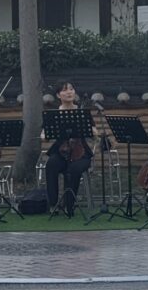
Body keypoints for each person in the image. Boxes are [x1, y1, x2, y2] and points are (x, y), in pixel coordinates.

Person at [44, 81, 94, 216]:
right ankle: (53, 204)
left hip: (81, 153)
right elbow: (44, 133)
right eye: (65, 90)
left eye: (71, 89)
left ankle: (69, 205)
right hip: (61, 152)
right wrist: (44, 135)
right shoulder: (54, 114)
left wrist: (93, 131)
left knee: (74, 169)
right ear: (58, 95)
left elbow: (93, 130)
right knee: (51, 164)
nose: (69, 92)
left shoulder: (82, 112)